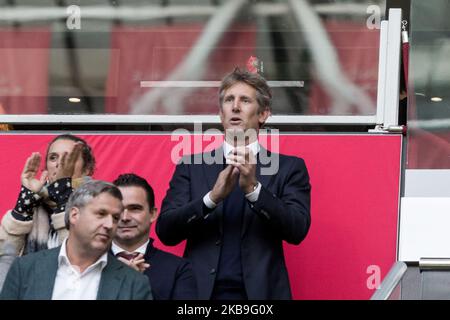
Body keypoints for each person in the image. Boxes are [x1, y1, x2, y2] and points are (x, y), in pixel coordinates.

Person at [156, 68, 311, 300]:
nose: (235, 107)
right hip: (198, 295)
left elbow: (297, 229)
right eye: (229, 100)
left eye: (245, 100)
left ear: (263, 114)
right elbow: (166, 231)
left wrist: (254, 191)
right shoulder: (191, 166)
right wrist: (211, 199)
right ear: (221, 115)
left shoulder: (289, 168)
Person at [0, 180, 152, 300]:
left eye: (115, 218)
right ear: (74, 215)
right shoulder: (25, 268)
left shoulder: (134, 282)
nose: (109, 225)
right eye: (101, 213)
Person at [0, 134, 95, 290]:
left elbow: (82, 264)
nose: (59, 163)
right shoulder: (35, 203)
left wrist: (64, 198)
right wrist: (22, 209)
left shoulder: (100, 202)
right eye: (53, 158)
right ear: (46, 168)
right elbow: (4, 267)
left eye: (69, 157)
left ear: (87, 169)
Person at [112, 173, 197, 300]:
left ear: (152, 214)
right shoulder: (89, 263)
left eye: (135, 208)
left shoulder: (179, 270)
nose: (125, 218)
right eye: (118, 209)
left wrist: (139, 289)